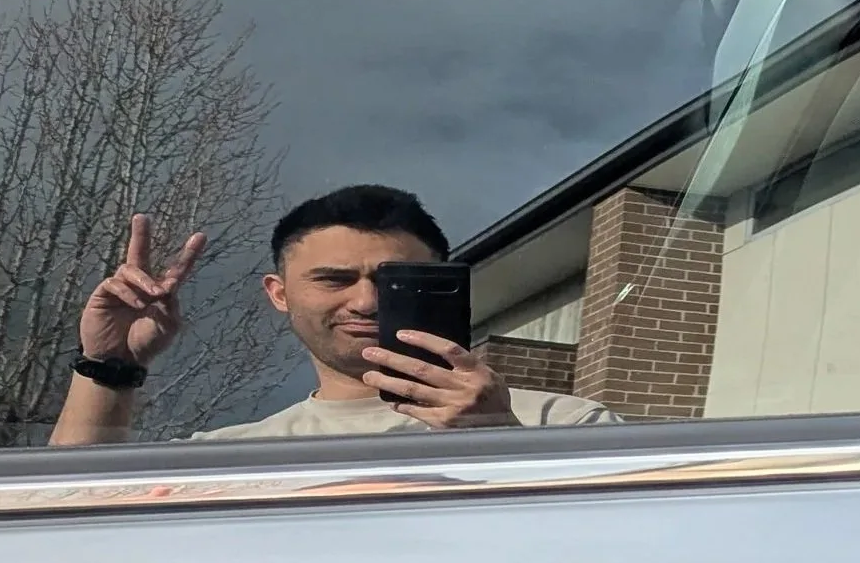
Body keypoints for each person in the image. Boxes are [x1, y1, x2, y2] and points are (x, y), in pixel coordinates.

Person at [49, 184, 615, 445]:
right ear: (279, 293)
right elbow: (67, 521)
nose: (365, 302)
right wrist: (110, 363)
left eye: (392, 281)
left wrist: (503, 446)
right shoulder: (227, 458)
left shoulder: (564, 427)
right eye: (333, 279)